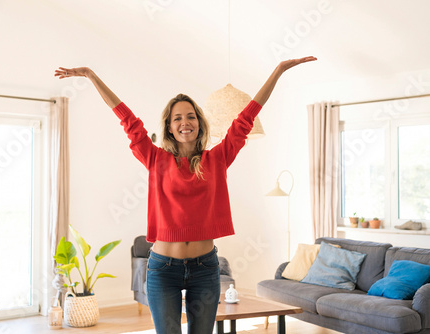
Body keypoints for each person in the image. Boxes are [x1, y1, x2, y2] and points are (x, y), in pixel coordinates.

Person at [54, 56, 316, 334]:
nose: (185, 122)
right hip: (162, 269)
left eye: (191, 116)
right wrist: (92, 76)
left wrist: (277, 71)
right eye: (177, 117)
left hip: (205, 268)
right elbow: (128, 119)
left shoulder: (217, 159)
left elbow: (245, 120)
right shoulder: (155, 159)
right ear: (169, 126)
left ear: (200, 123)